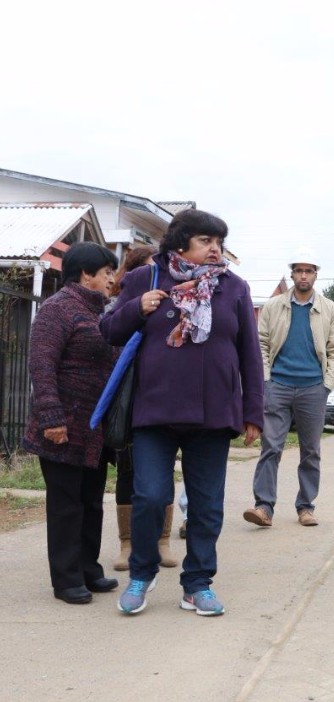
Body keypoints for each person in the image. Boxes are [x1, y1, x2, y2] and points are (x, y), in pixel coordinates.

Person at [100, 209, 264, 616]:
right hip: (155, 410)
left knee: (207, 505)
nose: (214, 249)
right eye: (206, 241)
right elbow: (110, 332)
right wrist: (136, 307)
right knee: (149, 495)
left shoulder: (234, 288)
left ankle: (197, 584)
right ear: (179, 243)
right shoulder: (145, 279)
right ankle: (142, 574)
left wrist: (253, 412)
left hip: (213, 413)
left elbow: (249, 355)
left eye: (218, 243)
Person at [23, 242, 120, 605]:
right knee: (66, 504)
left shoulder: (101, 313)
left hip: (93, 430)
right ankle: (65, 580)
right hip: (62, 427)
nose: (112, 279)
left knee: (91, 501)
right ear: (86, 274)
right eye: (107, 272)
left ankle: (88, 570)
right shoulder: (57, 309)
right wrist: (51, 418)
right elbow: (42, 367)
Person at [243, 249, 334, 528]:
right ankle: (263, 506)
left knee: (310, 450)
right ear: (292, 274)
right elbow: (260, 343)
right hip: (278, 385)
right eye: (298, 270)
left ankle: (306, 507)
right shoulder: (274, 306)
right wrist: (266, 379)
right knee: (271, 446)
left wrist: (326, 385)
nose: (303, 275)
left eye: (308, 271)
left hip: (313, 388)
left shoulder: (330, 309)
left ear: (315, 275)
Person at [107, 245, 179, 572]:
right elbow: (111, 337)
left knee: (165, 470)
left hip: (162, 396)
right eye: (151, 268)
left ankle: (162, 540)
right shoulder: (124, 304)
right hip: (130, 396)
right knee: (127, 468)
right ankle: (127, 543)